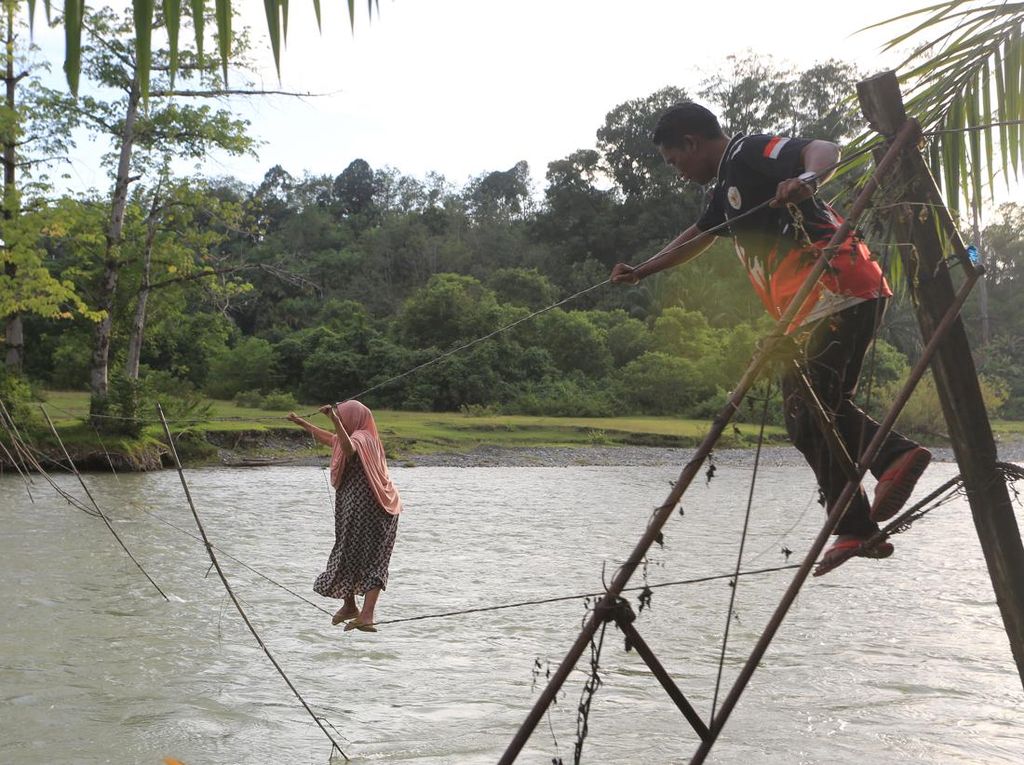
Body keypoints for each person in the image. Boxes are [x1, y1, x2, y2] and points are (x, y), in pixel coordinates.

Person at [610, 102, 931, 569]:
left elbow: (823, 149)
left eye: (674, 161)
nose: (677, 172)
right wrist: (642, 271)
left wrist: (807, 180)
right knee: (822, 405)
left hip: (831, 288)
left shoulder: (746, 152)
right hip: (827, 299)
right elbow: (698, 235)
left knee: (804, 409)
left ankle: (867, 506)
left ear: (692, 143)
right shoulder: (724, 189)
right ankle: (883, 477)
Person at [288, 400, 403, 631]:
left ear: (353, 418)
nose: (339, 421)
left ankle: (367, 615)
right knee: (347, 553)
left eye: (342, 417)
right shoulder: (350, 437)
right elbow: (333, 440)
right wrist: (302, 423)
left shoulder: (363, 438)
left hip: (375, 511)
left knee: (373, 560)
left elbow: (349, 448)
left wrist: (334, 419)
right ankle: (350, 606)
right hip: (357, 509)